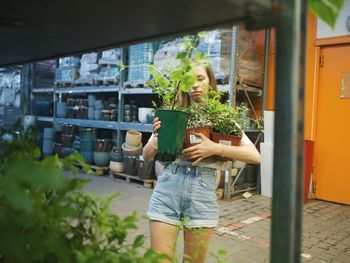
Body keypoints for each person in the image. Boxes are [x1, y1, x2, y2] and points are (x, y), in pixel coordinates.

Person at [143, 62, 261, 263]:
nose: (195, 85)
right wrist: (157, 137)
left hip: (201, 195)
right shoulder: (172, 114)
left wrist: (216, 148)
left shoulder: (221, 117)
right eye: (189, 80)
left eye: (200, 78)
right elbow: (145, 156)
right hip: (167, 191)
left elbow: (255, 156)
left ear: (210, 82)